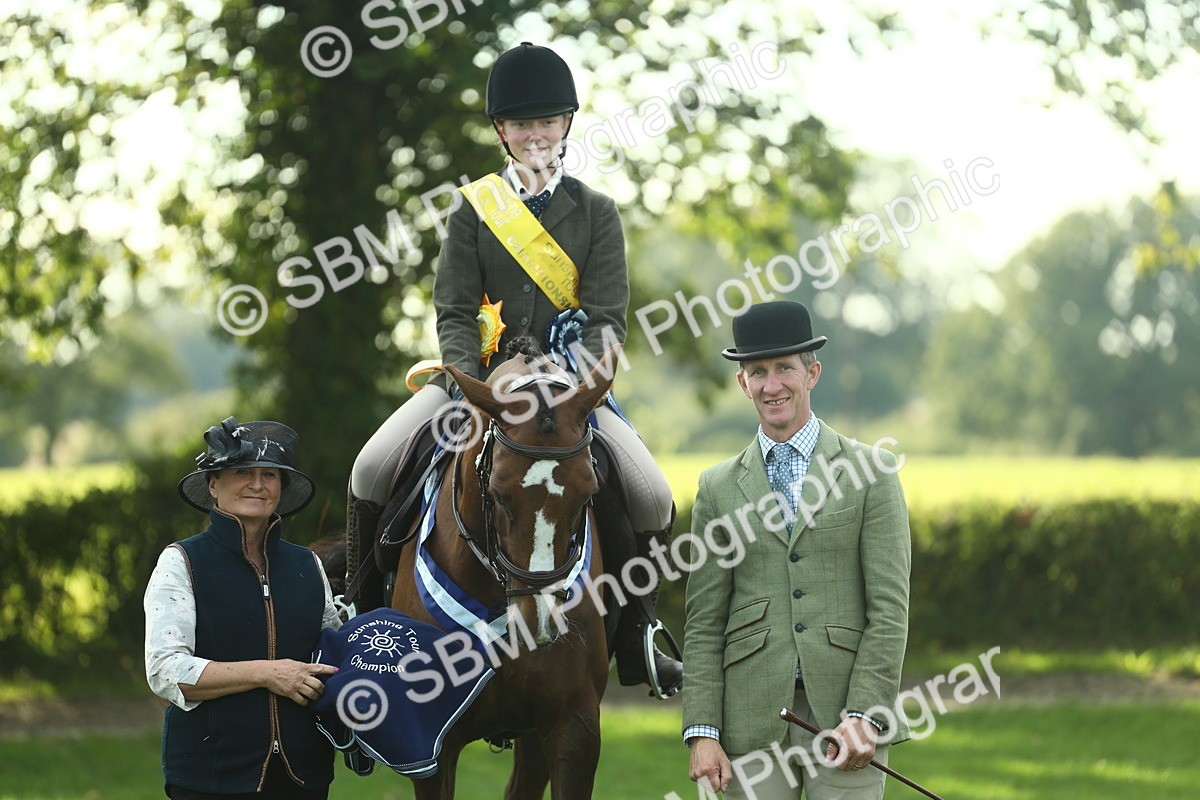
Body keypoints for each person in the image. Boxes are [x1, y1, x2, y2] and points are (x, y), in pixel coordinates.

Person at [346, 41, 681, 696]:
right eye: (523, 124)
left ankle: (639, 633)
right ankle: (362, 622)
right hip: (478, 386)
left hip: (570, 393)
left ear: (566, 126)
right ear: (502, 131)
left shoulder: (597, 212)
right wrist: (473, 389)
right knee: (370, 465)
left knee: (651, 494)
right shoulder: (474, 210)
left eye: (547, 122)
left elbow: (608, 317)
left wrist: (571, 383)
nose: (535, 134)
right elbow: (452, 312)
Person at [682, 301, 911, 799]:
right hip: (748, 723)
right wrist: (703, 730)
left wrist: (865, 714)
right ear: (743, 383)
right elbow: (703, 623)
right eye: (757, 372)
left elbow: (890, 611)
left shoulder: (873, 472)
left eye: (785, 368)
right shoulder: (717, 487)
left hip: (845, 719)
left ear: (812, 372)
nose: (772, 385)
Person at [144, 417, 342, 799]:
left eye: (270, 474)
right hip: (211, 777)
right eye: (241, 472)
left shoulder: (307, 565)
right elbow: (167, 671)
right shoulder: (181, 561)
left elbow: (332, 652)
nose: (256, 484)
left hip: (304, 775)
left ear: (281, 489)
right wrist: (269, 673)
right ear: (214, 484)